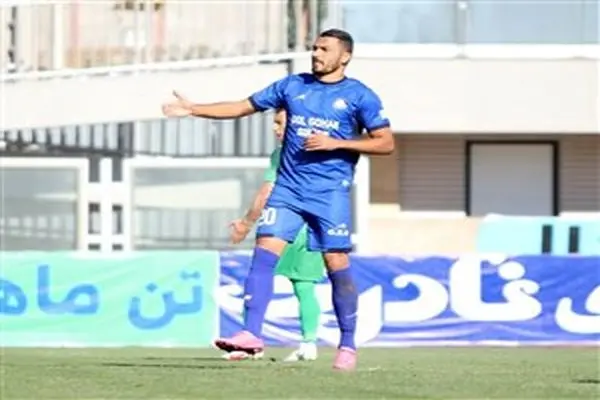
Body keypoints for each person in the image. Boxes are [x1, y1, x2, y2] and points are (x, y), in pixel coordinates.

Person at [162, 28, 394, 371]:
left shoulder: (360, 96)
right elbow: (242, 106)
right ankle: (251, 334)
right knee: (263, 253)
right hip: (288, 189)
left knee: (335, 264)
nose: (316, 54)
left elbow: (385, 142)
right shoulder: (292, 85)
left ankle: (347, 343)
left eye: (324, 49)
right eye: (314, 47)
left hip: (330, 194)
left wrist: (337, 143)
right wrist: (194, 109)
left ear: (344, 56)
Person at [224, 109, 324, 362]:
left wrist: (246, 222)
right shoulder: (324, 151)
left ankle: (250, 339)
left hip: (283, 225)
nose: (275, 128)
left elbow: (266, 192)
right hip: (314, 226)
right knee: (305, 286)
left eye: (280, 123)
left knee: (259, 276)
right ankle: (309, 344)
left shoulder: (282, 154)